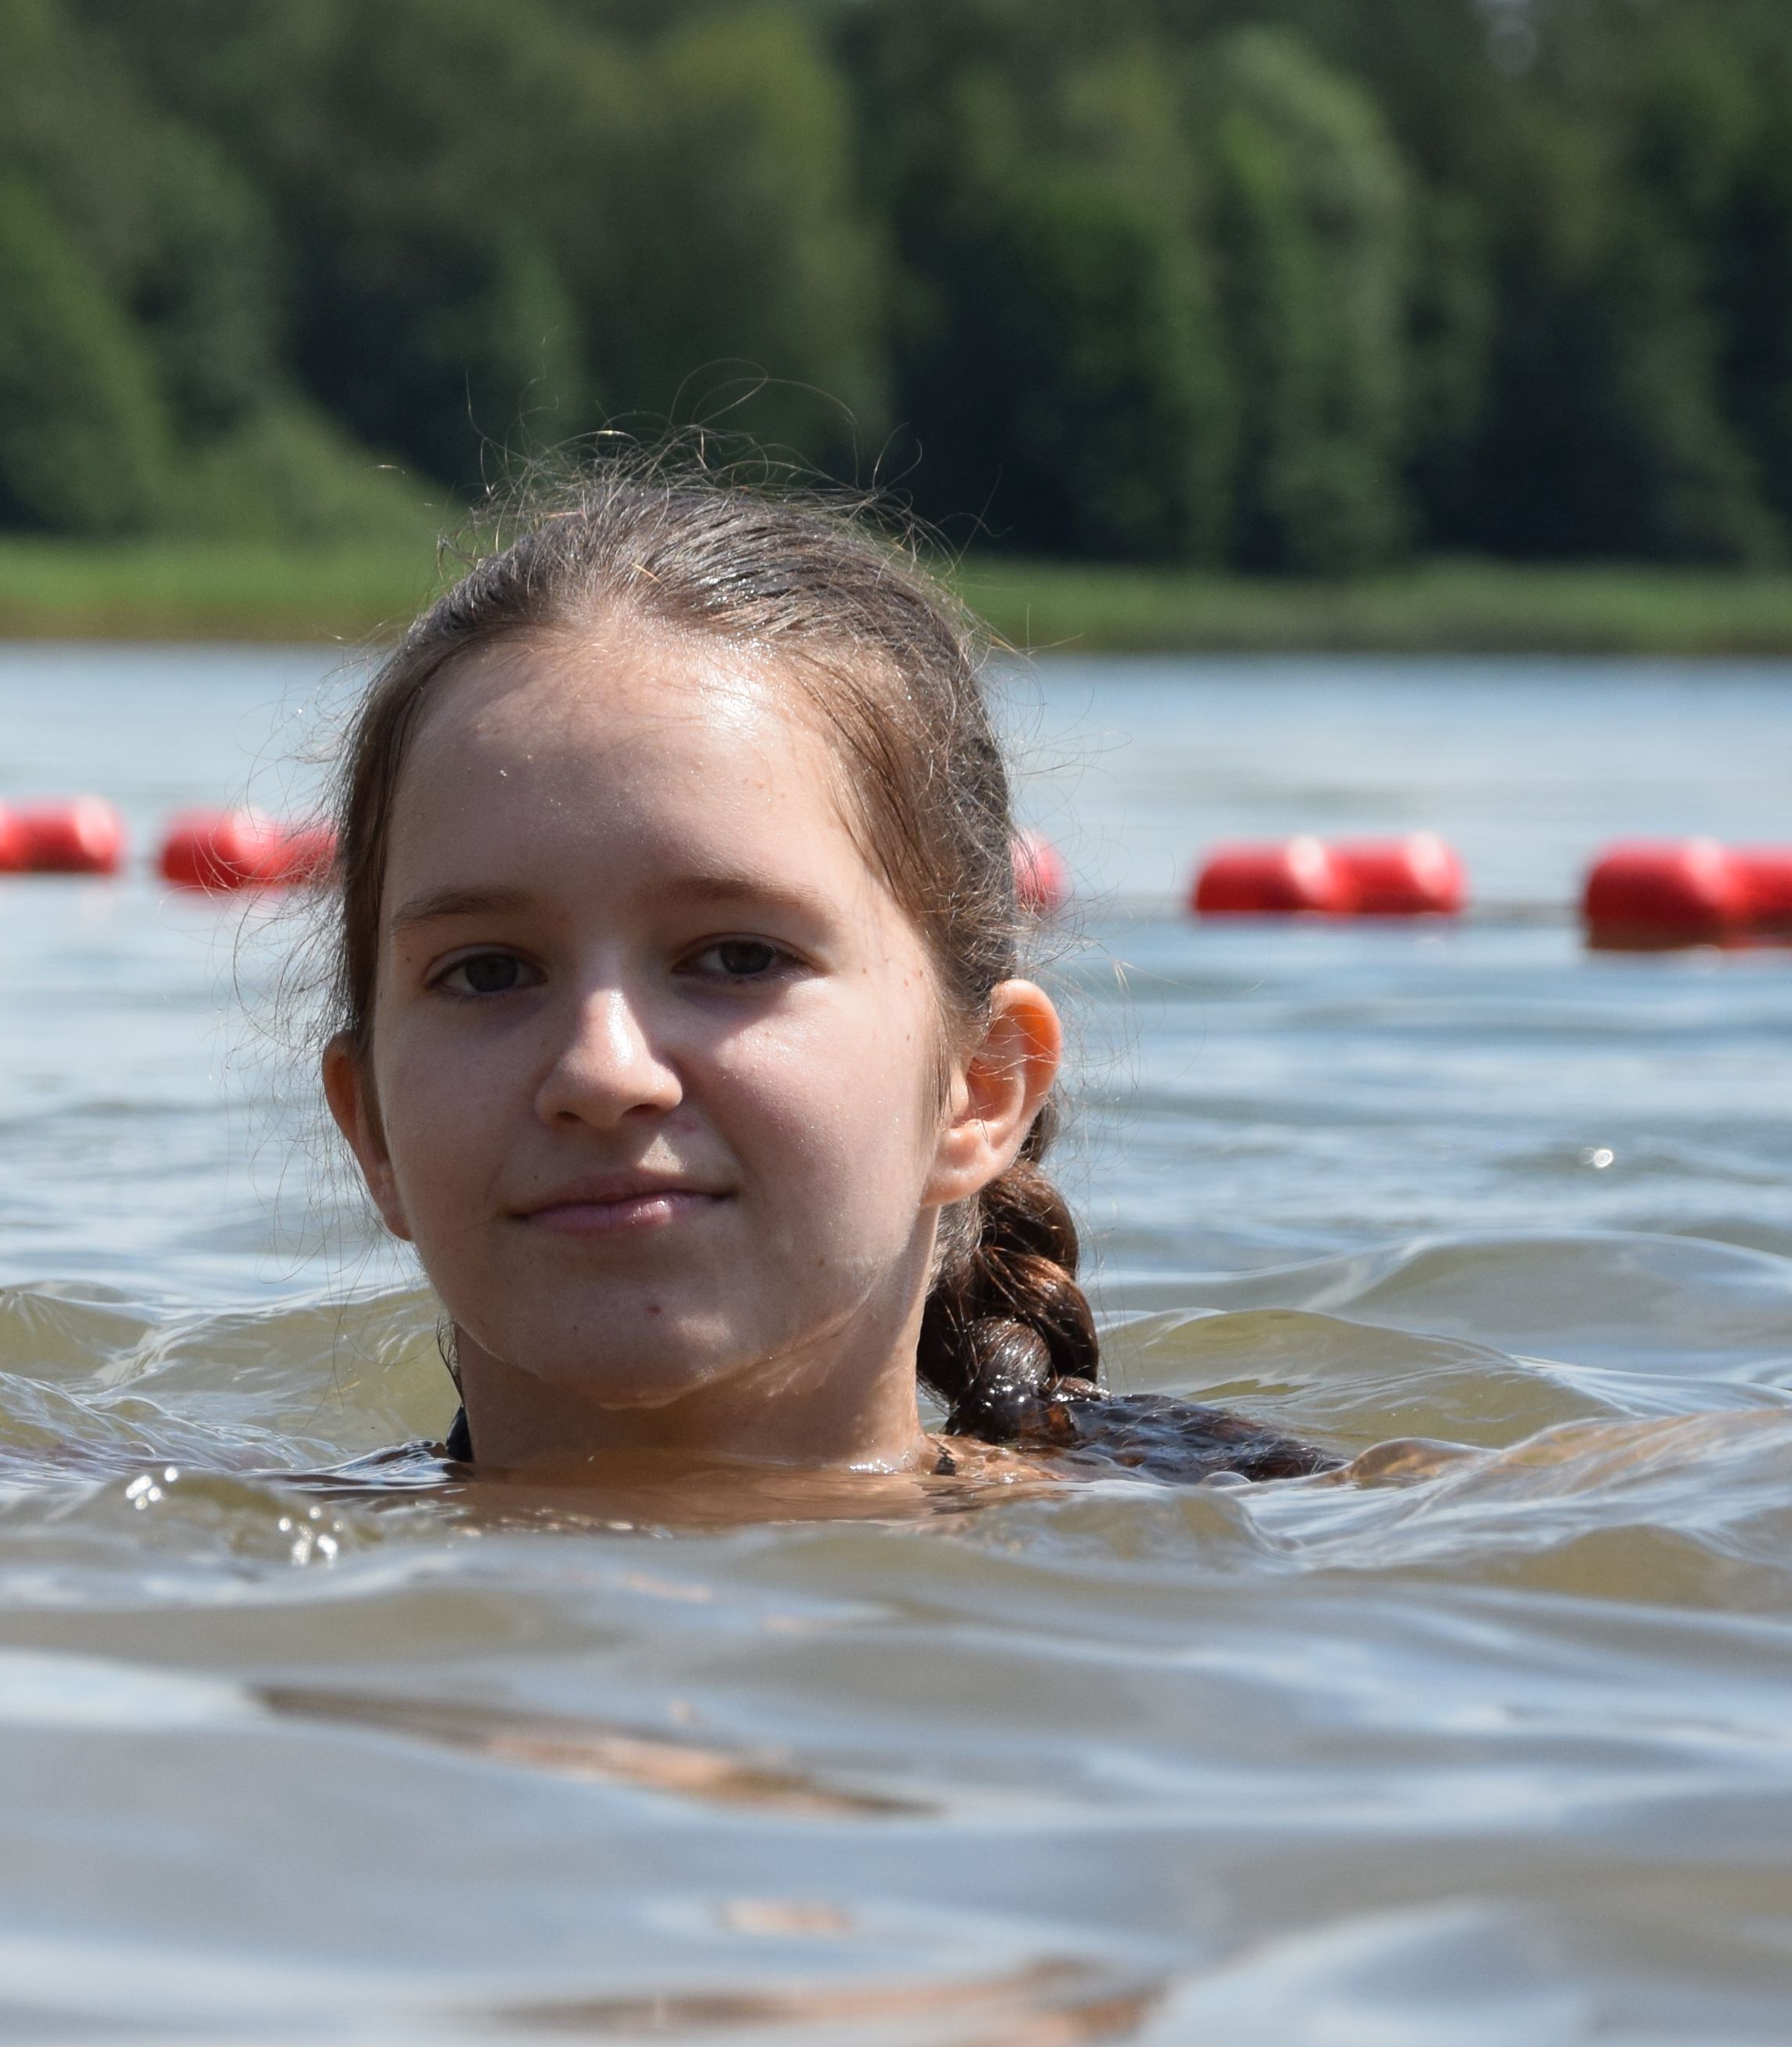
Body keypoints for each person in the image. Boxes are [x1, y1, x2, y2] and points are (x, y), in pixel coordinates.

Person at [314, 470, 1337, 1497]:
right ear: (373, 1132)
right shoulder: (219, 1580)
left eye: (737, 958)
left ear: (979, 1086)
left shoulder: (1290, 1554)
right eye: (487, 972)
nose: (602, 1068)